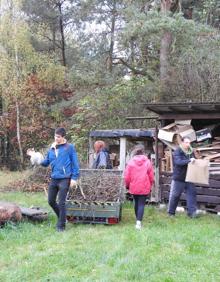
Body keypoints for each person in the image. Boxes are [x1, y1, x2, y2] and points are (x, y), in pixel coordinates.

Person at [28, 127, 80, 232]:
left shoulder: (69, 148)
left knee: (61, 202)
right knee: (51, 201)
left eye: (58, 137)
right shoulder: (52, 148)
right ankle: (62, 218)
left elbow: (75, 164)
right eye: (55, 136)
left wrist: (74, 178)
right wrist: (35, 156)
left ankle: (61, 226)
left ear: (63, 137)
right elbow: (45, 162)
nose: (56, 138)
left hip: (65, 178)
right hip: (54, 178)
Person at [124, 144, 154, 230]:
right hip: (144, 185)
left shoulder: (130, 162)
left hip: (134, 185)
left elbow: (127, 176)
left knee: (136, 203)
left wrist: (127, 185)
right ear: (143, 152)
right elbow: (151, 175)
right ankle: (138, 222)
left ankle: (138, 220)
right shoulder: (147, 162)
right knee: (141, 204)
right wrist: (151, 183)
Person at [168, 136, 197, 218]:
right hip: (179, 178)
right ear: (182, 143)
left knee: (192, 194)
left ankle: (192, 214)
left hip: (189, 177)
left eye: (189, 143)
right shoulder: (178, 151)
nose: (188, 144)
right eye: (187, 142)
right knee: (175, 196)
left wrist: (194, 160)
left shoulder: (190, 151)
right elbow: (178, 162)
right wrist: (189, 161)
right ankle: (171, 213)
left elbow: (193, 160)